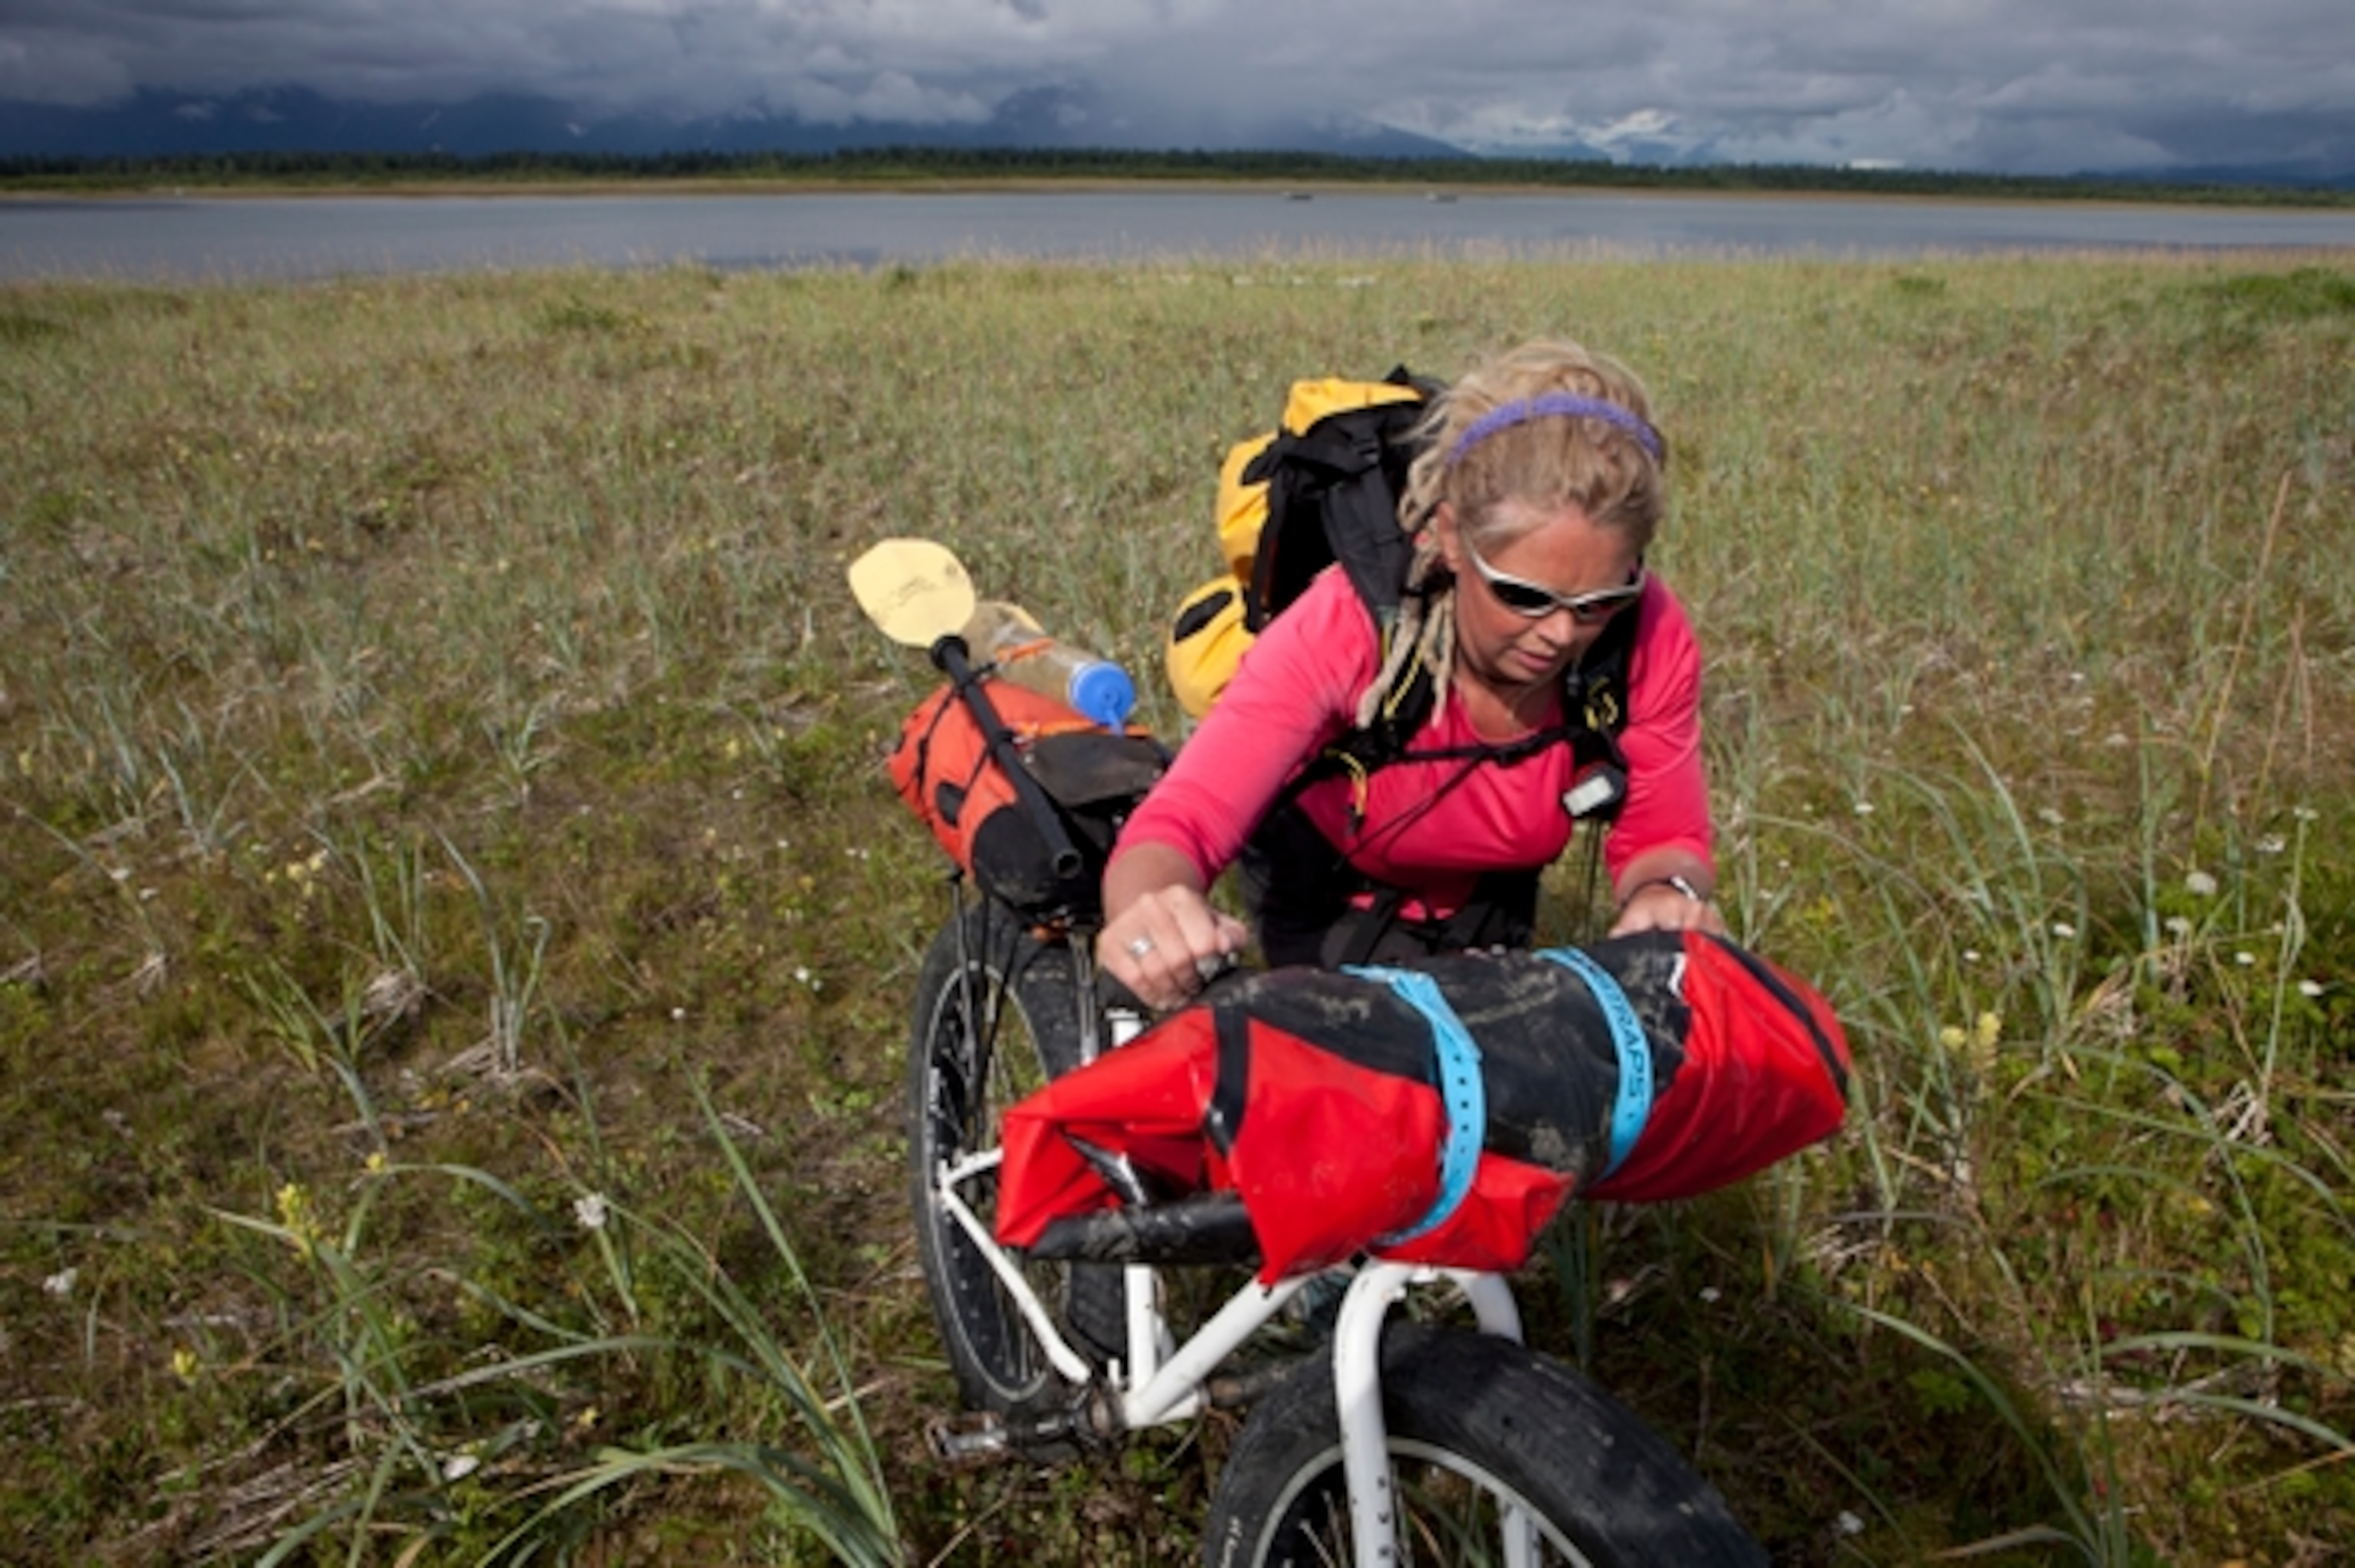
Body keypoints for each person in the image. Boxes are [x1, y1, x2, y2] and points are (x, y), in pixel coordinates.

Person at [1100, 337, 1723, 1012]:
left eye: (1600, 600)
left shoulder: (1646, 632)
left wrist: (1668, 895)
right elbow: (1183, 820)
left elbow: (1664, 838)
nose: (1563, 633)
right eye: (1524, 595)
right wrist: (1150, 910)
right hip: (1327, 882)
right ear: (1450, 538)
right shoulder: (1347, 625)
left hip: (1493, 888)